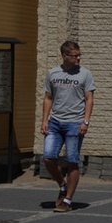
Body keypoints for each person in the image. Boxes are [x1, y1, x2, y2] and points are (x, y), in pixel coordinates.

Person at [41, 40, 96, 213]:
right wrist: (44, 120)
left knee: (72, 160)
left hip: (75, 123)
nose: (78, 58)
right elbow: (48, 97)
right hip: (55, 122)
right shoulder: (53, 73)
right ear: (64, 56)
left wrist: (85, 121)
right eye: (74, 56)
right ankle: (62, 185)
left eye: (79, 55)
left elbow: (89, 99)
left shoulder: (85, 74)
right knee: (48, 158)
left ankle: (67, 200)